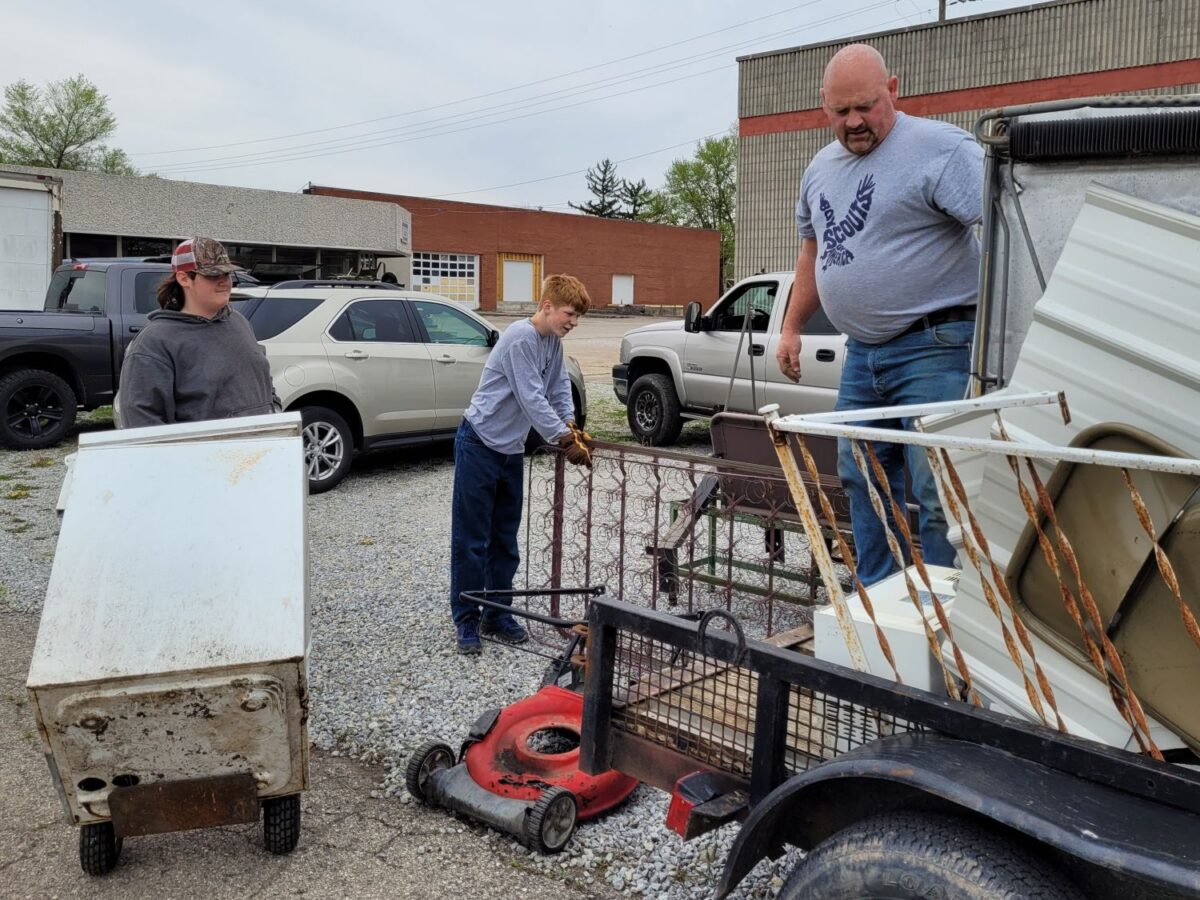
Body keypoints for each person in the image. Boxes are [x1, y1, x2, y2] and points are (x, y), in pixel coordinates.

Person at [776, 43, 984, 586]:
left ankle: (943, 611)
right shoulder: (820, 168)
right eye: (840, 111)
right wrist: (792, 327)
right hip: (863, 353)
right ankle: (882, 594)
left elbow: (1007, 225)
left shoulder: (941, 150)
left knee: (936, 483)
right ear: (823, 105)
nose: (854, 122)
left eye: (866, 106)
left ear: (893, 89)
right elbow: (812, 252)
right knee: (861, 475)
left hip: (936, 345)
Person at [449, 274, 592, 655]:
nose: (573, 322)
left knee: (504, 539)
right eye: (569, 313)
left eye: (577, 316)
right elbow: (530, 396)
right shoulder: (520, 338)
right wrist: (561, 438)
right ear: (546, 306)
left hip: (510, 450)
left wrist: (573, 427)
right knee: (471, 540)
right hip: (479, 443)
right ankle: (466, 617)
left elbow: (559, 390)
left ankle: (497, 613)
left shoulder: (553, 345)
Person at [116, 237, 279, 429]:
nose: (224, 281)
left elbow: (261, 379)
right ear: (183, 278)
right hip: (203, 456)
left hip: (259, 449)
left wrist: (274, 410)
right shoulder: (154, 342)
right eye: (212, 275)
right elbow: (141, 421)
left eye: (227, 274)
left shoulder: (238, 321)